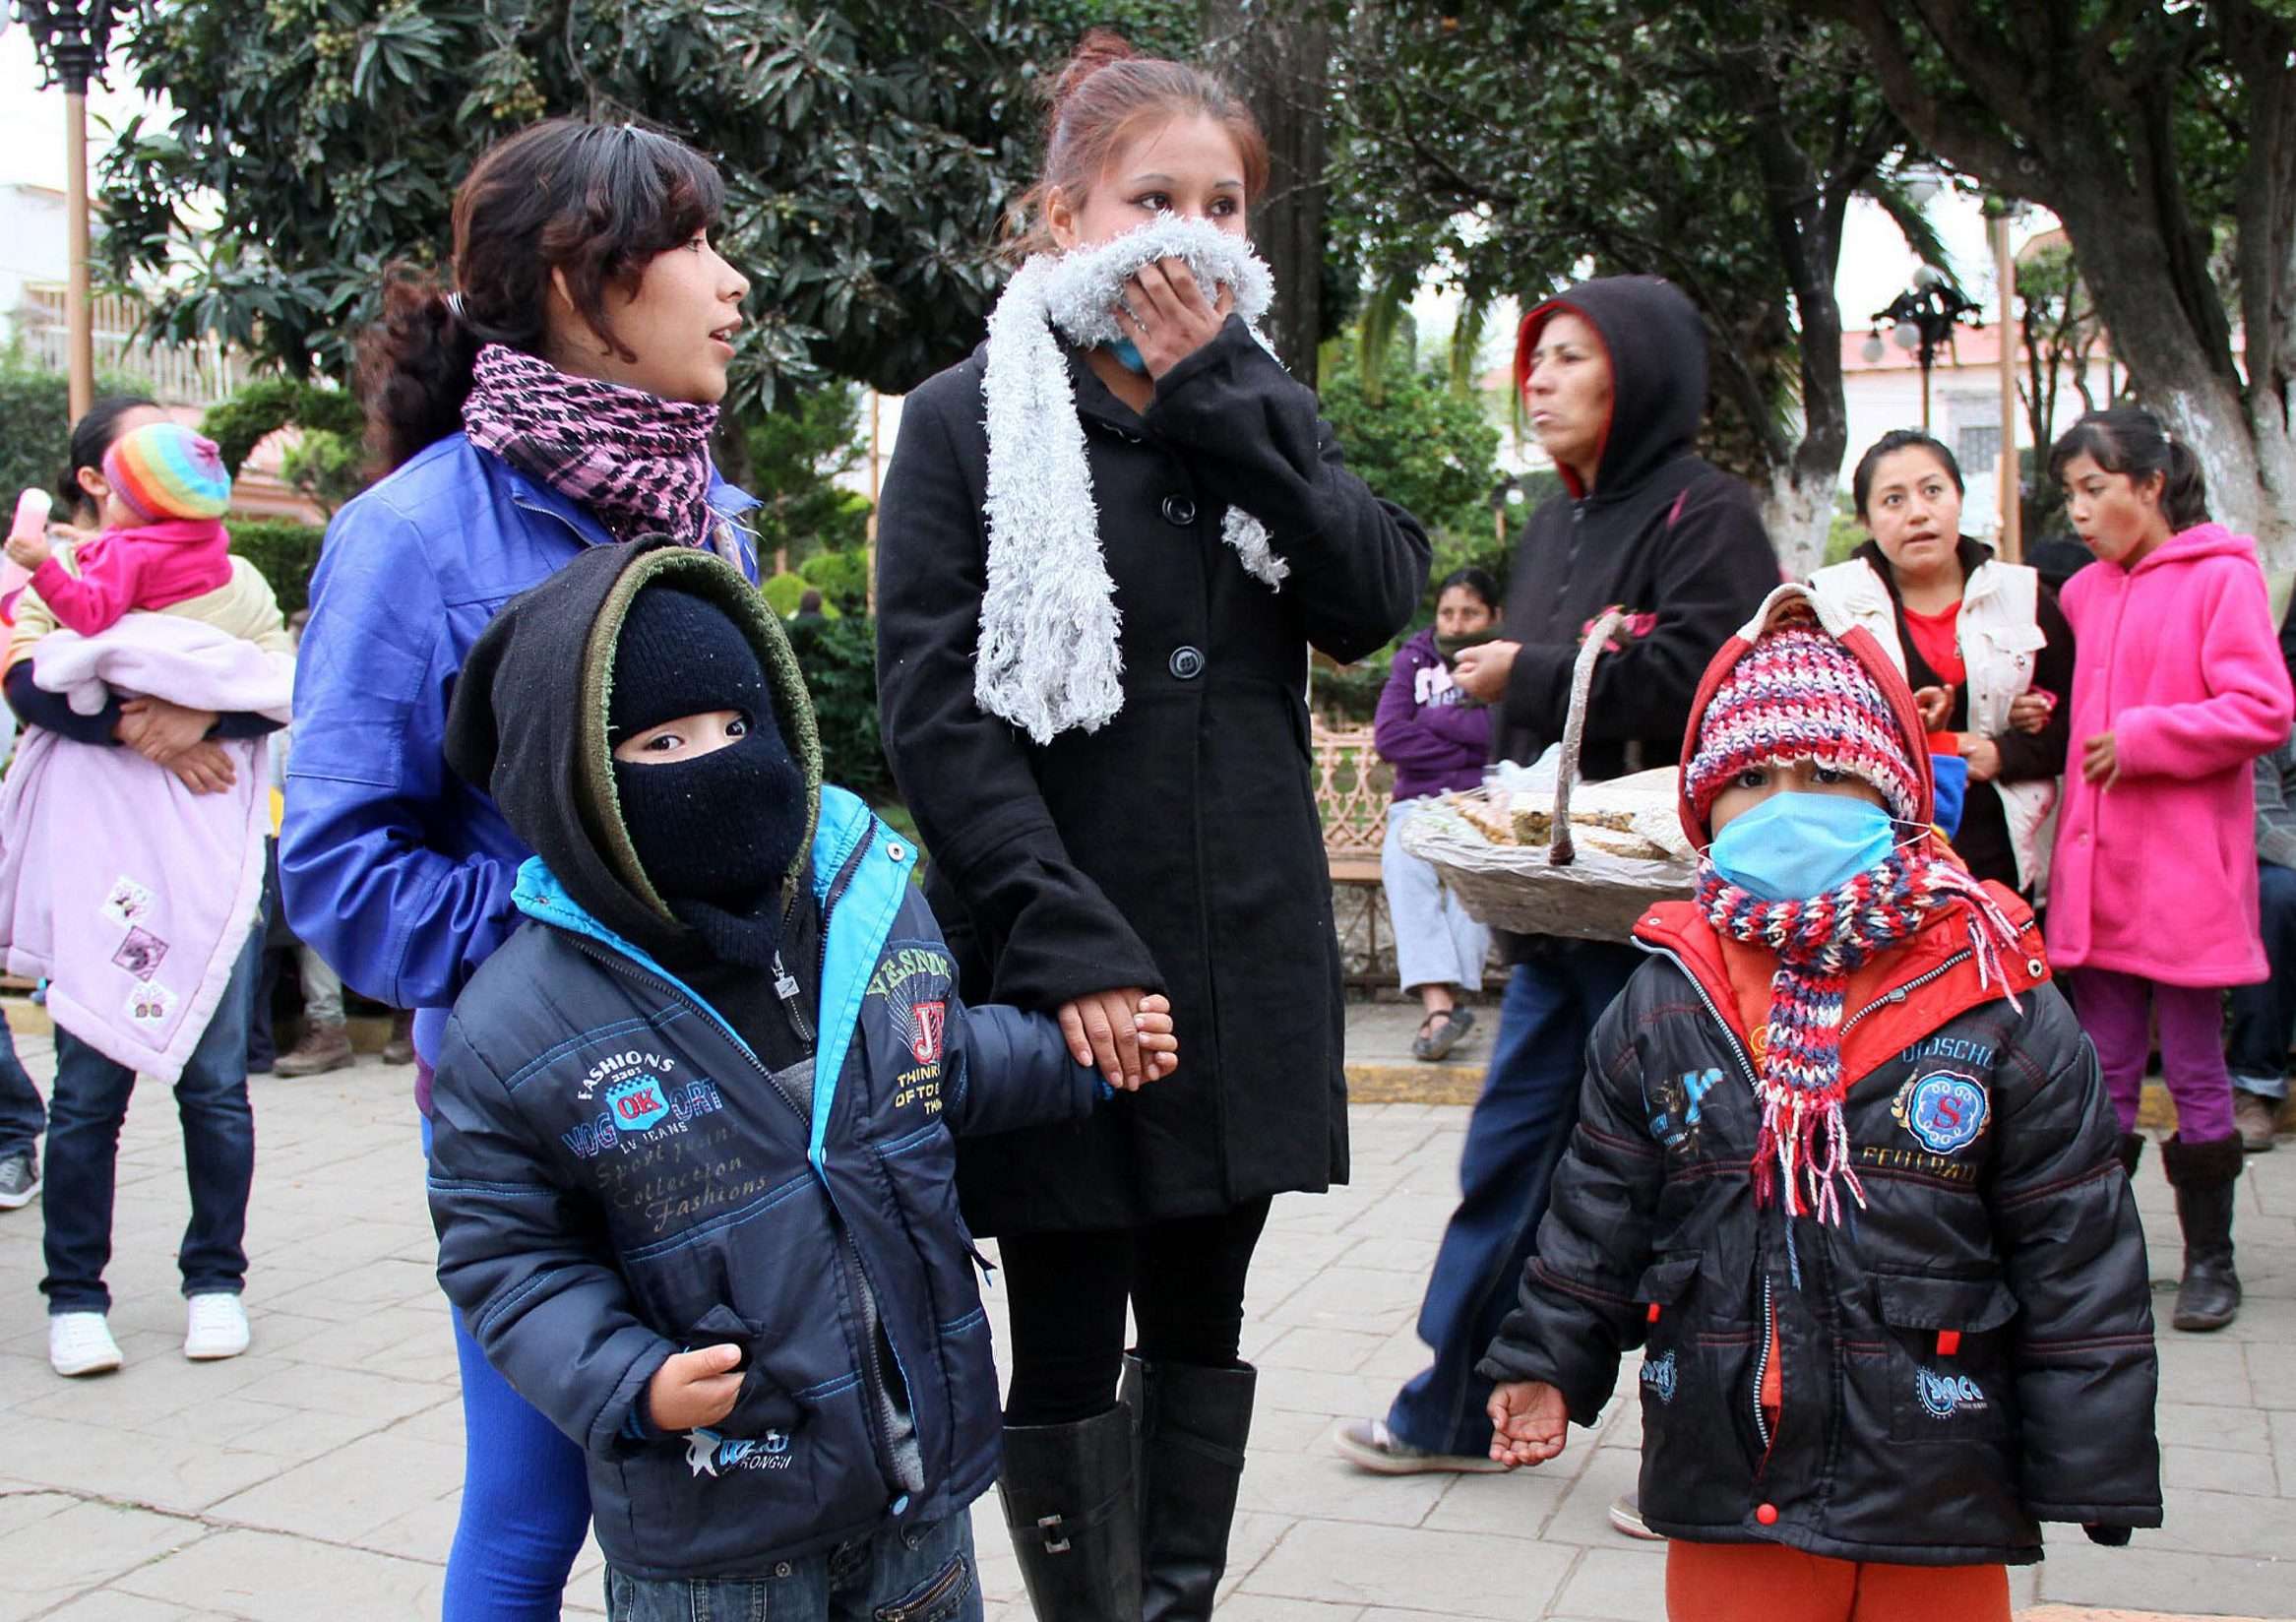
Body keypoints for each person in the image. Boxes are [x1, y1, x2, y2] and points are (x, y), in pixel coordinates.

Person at [874, 31, 1428, 1621]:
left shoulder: (1256, 402)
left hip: (1239, 957)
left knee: (1200, 1315)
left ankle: (1170, 1603)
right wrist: (1064, 952)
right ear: (1064, 219)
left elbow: (1368, 596)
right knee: (1060, 1333)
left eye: (1220, 204)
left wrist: (1226, 390)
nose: (1188, 233)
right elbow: (937, 713)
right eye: (1148, 198)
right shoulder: (968, 421)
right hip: (1061, 958)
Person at [431, 541, 1174, 1622]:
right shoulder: (515, 1022)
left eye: (737, 729)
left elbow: (944, 1060)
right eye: (664, 743)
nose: (719, 763)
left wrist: (1083, 1056)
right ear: (578, 782)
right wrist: (629, 1379)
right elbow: (506, 1255)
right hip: (715, 1532)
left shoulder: (860, 905)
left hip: (917, 1498)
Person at [279, 119, 758, 1620]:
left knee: (751, 1477)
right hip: (538, 1128)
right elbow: (342, 871)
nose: (734, 284)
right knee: (533, 1507)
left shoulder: (708, 510)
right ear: (580, 279)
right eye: (695, 246)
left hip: (733, 1081)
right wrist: (570, 924)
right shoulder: (407, 538)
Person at [1478, 585, 2161, 1622]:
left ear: (1893, 793)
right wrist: (1545, 1360)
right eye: (1749, 776)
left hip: (1933, 1475)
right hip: (1722, 1466)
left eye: (1827, 772)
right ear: (1699, 804)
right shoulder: (1665, 992)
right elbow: (1596, 1211)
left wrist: (2092, 1451)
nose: (1787, 800)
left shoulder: (1995, 987)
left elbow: (2075, 1240)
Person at [1338, 276, 1779, 1491]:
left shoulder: (1708, 514)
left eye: (1571, 357)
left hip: (1673, 930)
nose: (1538, 380)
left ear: (1637, 375)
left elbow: (1705, 680)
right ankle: (1455, 1405)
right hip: (1557, 913)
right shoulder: (1546, 522)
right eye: (1534, 358)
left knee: (1686, 1188)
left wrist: (1525, 671)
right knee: (1512, 1153)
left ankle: (1705, 1447)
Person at [1, 396, 290, 1378]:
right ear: (101, 482)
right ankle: (75, 1295)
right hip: (103, 876)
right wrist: (132, 726)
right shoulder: (77, 572)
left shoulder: (240, 582)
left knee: (215, 1092)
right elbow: (28, 674)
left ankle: (217, 1277)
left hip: (207, 873)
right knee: (87, 1097)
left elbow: (285, 685)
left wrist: (202, 726)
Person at [2045, 407, 2294, 1334]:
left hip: (2183, 875)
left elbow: (2262, 709)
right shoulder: (2085, 595)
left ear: (2149, 486)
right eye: (2071, 492)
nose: (2078, 511)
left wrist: (2148, 739)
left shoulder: (2221, 579)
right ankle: (2103, 1268)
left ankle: (2211, 1264)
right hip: (2099, 874)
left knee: (2193, 1068)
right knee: (2103, 1075)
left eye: (2094, 489)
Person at [1809, 429, 2073, 895]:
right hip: (1873, 860)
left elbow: (2074, 723)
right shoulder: (1825, 604)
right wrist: (1908, 727)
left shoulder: (2027, 597)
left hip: (2006, 856)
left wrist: (2004, 753)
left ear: (1959, 497)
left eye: (1932, 491)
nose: (1918, 513)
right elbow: (1804, 730)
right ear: (1866, 520)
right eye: (1893, 500)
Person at [1374, 566, 1500, 1060]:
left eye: (1470, 613)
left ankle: (1443, 1009)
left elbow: (1501, 732)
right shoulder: (1413, 660)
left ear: (1494, 616)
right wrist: (1464, 745)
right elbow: (1389, 737)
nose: (1457, 623)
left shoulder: (1503, 661)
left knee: (1474, 873)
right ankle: (1440, 1005)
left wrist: (1429, 722)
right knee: (1405, 868)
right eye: (1448, 612)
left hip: (1484, 803)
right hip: (1417, 803)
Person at [3, 420, 233, 637]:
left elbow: (88, 614)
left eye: (117, 493)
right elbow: (158, 559)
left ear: (147, 507)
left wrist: (43, 567)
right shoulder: (211, 538)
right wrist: (100, 543)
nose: (109, 498)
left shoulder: (129, 555)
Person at [2229, 735, 2296, 1151]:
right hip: (2285, 856)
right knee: (2276, 897)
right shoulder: (2278, 716)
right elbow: (2263, 818)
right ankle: (2255, 1084)